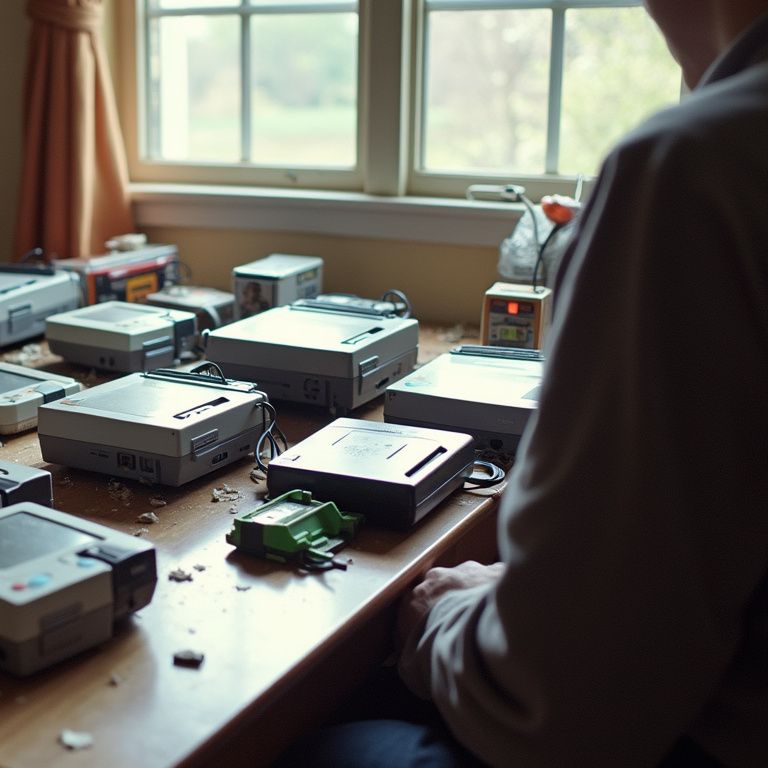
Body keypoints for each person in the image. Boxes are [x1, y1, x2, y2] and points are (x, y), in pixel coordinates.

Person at [283, 2, 768, 765]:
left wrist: (446, 616)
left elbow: (558, 710)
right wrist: (547, 590)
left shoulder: (693, 165)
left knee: (319, 743)